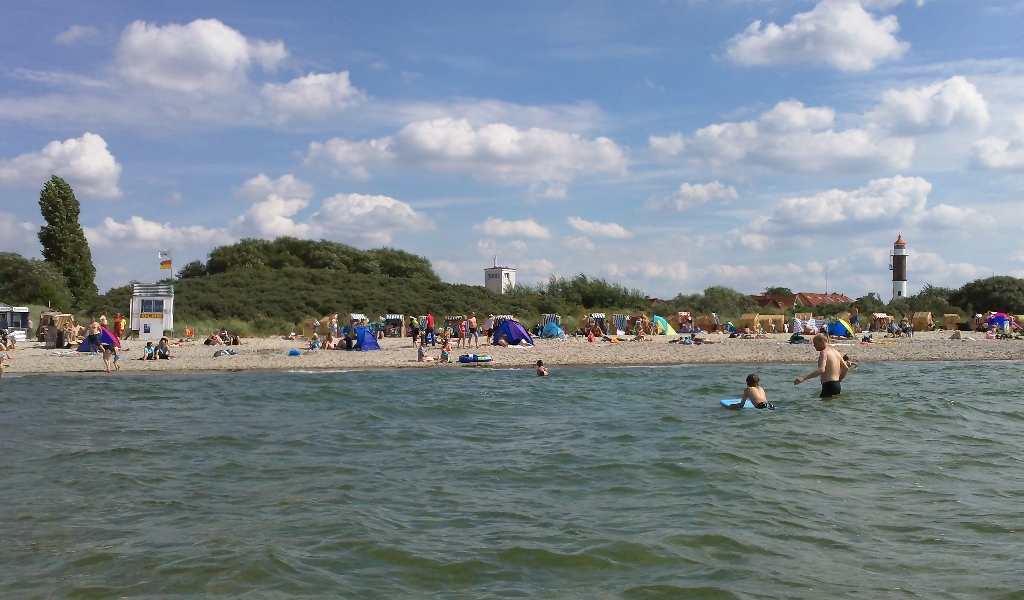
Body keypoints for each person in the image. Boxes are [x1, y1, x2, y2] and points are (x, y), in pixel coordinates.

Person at [794, 334, 849, 398]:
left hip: (828, 385)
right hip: (837, 385)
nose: (814, 345)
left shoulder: (824, 352)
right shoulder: (835, 352)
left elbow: (822, 369)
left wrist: (804, 378)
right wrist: (839, 380)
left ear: (822, 342)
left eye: (815, 343)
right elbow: (845, 368)